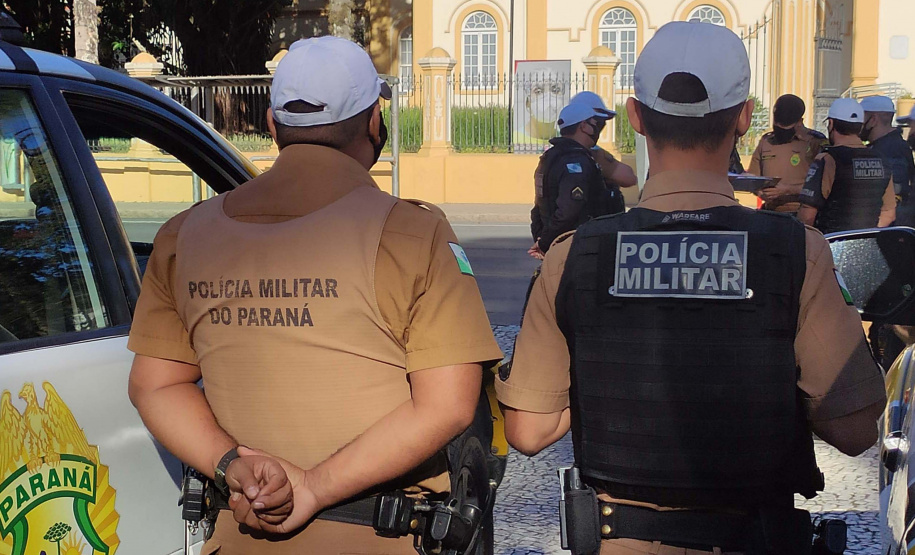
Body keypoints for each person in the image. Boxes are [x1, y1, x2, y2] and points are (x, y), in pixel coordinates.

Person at [496, 21, 886, 554]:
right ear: (746, 117)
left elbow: (528, 431)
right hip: (757, 539)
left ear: (634, 115)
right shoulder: (798, 251)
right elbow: (857, 429)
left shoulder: (573, 256)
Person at [126, 36, 503, 554]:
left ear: (273, 127)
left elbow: (155, 386)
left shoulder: (182, 235)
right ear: (375, 122)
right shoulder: (414, 234)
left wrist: (231, 463)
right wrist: (313, 486)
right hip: (382, 536)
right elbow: (449, 406)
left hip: (241, 533)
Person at [529, 103, 614, 260]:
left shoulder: (551, 157)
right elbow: (569, 210)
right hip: (576, 250)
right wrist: (545, 243)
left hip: (559, 248)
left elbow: (538, 207)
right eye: (598, 124)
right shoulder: (575, 162)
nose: (600, 131)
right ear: (583, 126)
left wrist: (542, 240)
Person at [798, 97, 896, 233]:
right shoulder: (881, 159)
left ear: (831, 124)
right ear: (861, 126)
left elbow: (807, 214)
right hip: (866, 247)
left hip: (830, 244)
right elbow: (889, 213)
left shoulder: (827, 159)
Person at [748, 94, 828, 214]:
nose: (780, 131)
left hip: (802, 213)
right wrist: (760, 192)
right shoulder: (766, 142)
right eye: (777, 126)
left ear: (799, 122)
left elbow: (823, 186)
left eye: (786, 128)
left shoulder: (815, 143)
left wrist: (788, 190)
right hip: (770, 213)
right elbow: (752, 178)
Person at [860, 95, 915, 225]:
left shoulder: (891, 149)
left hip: (890, 230)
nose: (858, 123)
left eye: (861, 118)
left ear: (873, 119)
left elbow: (897, 194)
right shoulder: (884, 146)